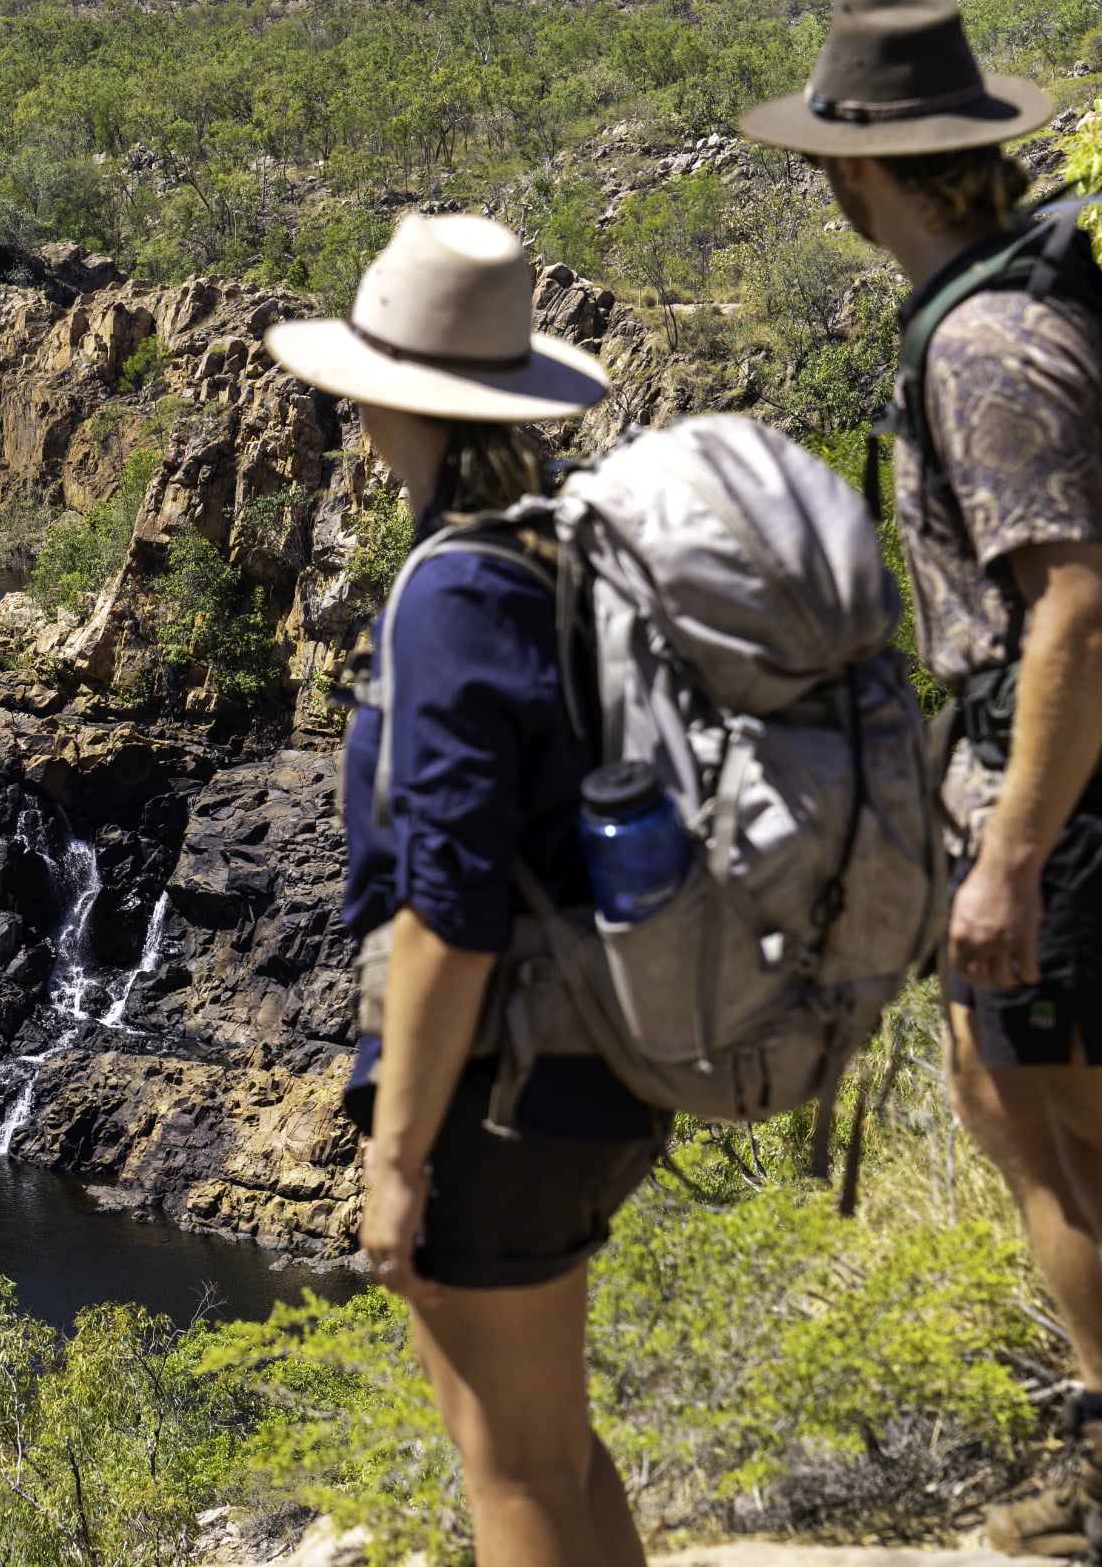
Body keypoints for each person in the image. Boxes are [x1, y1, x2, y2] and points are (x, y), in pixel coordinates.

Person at [742, 0, 1102, 1567]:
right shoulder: (992, 304)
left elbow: (1076, 606)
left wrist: (1015, 854)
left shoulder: (988, 340)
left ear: (857, 175)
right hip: (1027, 797)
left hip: (1077, 811)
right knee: (1014, 1106)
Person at [266, 217, 656, 1567]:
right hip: (606, 1051)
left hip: (507, 1085)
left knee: (511, 1475)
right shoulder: (568, 549)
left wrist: (396, 1153)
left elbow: (449, 904)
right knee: (551, 1450)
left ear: (382, 392)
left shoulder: (452, 591)